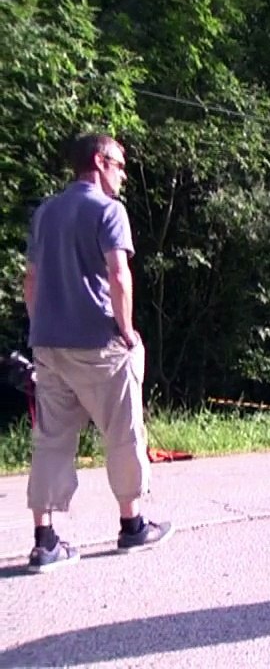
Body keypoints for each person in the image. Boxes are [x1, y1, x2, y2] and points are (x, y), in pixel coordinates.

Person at [22, 133, 173, 573]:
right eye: (120, 164)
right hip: (99, 343)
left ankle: (45, 543)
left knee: (50, 440)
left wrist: (39, 328)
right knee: (124, 431)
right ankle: (132, 526)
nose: (123, 174)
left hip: (49, 344)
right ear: (97, 161)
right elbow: (119, 276)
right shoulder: (109, 210)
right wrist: (126, 331)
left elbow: (30, 281)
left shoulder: (45, 213)